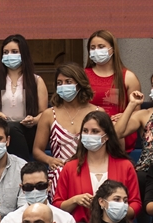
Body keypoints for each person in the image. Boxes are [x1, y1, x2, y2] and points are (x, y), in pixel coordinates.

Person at [52, 111, 141, 223]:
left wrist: (119, 208)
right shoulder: (70, 167)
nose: (89, 135)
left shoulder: (125, 166)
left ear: (107, 136)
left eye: (95, 131)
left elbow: (136, 204)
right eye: (85, 131)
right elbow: (57, 204)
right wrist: (74, 200)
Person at [31, 63, 101, 191]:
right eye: (60, 83)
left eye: (68, 82)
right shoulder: (49, 114)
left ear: (79, 84)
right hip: (60, 172)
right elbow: (37, 150)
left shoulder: (97, 112)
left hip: (91, 167)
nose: (63, 86)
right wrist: (50, 160)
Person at [0, 34, 47, 157]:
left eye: (14, 52)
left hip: (28, 132)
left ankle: (21, 166)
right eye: (6, 52)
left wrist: (34, 120)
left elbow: (44, 113)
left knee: (13, 128)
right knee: (8, 128)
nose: (10, 55)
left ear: (23, 54)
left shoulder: (36, 81)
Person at [85, 30, 141, 151]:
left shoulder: (128, 77)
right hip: (89, 130)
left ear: (113, 49)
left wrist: (126, 115)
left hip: (118, 132)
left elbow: (137, 113)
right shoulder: (82, 76)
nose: (96, 50)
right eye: (92, 47)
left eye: (101, 46)